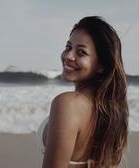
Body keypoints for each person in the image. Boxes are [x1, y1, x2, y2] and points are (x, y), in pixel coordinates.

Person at [38, 16, 129, 168]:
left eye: (81, 52)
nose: (68, 56)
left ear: (102, 65)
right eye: (68, 47)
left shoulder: (68, 104)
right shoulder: (110, 111)